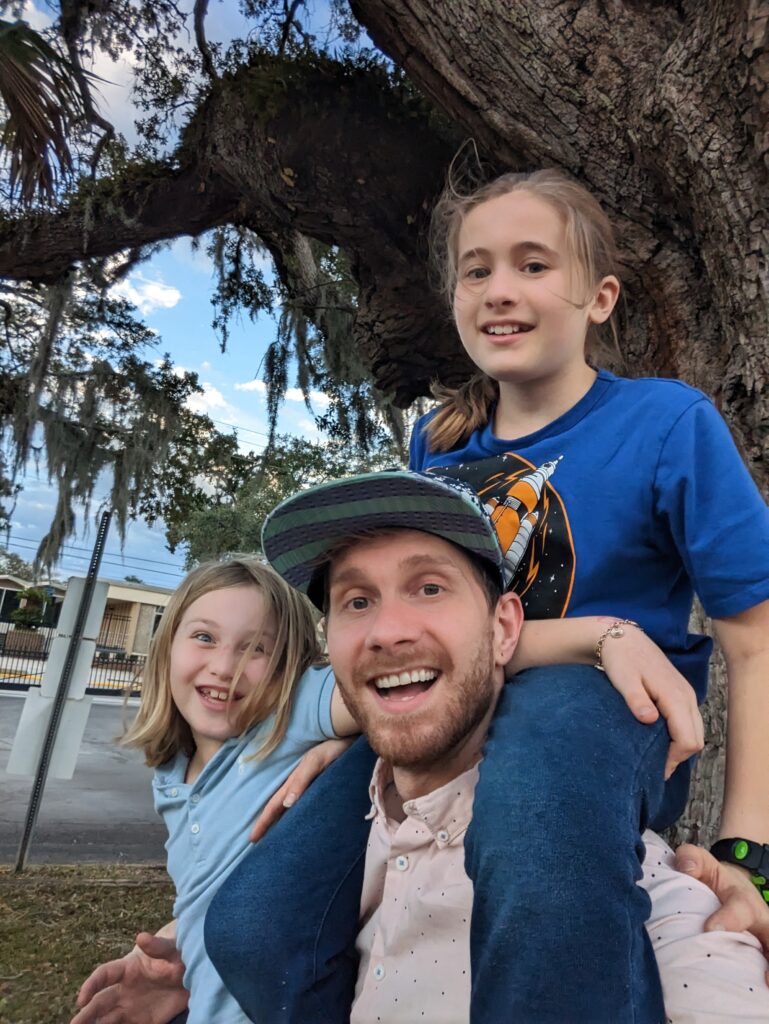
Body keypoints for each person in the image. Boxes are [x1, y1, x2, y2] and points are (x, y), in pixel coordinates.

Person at [212, 168, 769, 1022]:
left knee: (535, 845)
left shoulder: (666, 422)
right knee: (255, 926)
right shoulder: (439, 442)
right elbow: (435, 623)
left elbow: (755, 642)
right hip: (460, 709)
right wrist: (378, 730)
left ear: (600, 297)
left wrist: (748, 854)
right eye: (476, 270)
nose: (499, 291)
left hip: (595, 719)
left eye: (533, 265)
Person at [205, 470, 769, 1023]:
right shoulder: (318, 861)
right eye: (356, 601)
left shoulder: (621, 890)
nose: (387, 631)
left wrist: (747, 858)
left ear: (505, 630)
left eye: (429, 588)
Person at [71, 557, 358, 1024]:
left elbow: (393, 687)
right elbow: (211, 884)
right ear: (167, 645)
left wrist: (350, 740)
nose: (225, 666)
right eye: (204, 637)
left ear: (291, 668)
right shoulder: (170, 775)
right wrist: (177, 940)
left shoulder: (293, 714)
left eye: (258, 648)